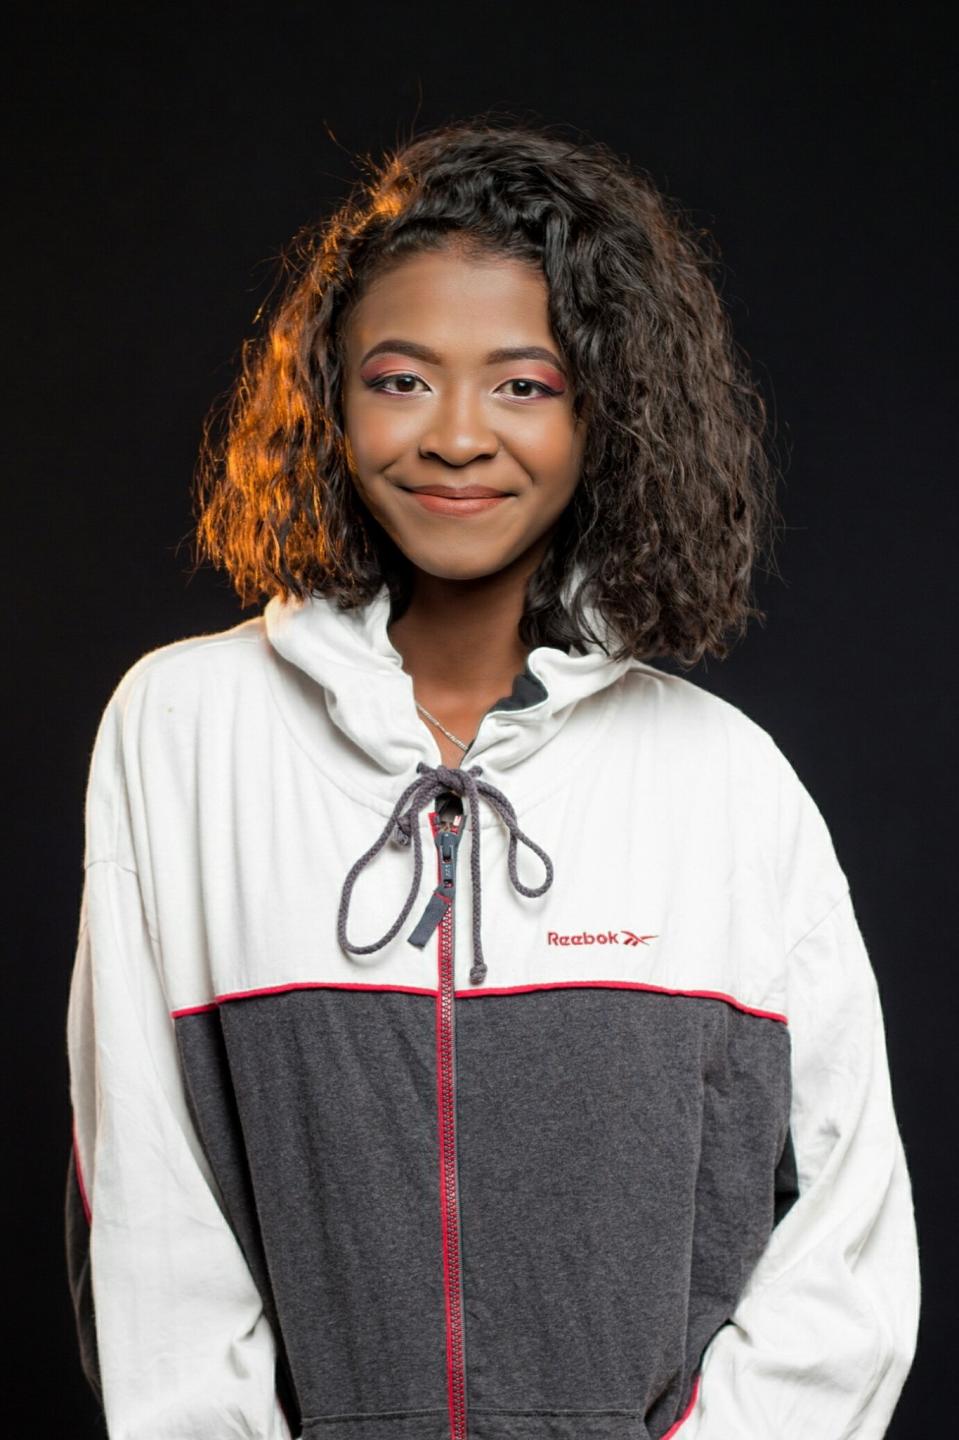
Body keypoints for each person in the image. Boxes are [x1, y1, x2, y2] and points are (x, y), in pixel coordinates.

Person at [65, 118, 919, 1439]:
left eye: (523, 385)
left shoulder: (727, 780)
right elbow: (147, 1211)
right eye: (402, 379)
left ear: (606, 414)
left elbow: (844, 1247)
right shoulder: (182, 729)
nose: (457, 437)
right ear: (331, 399)